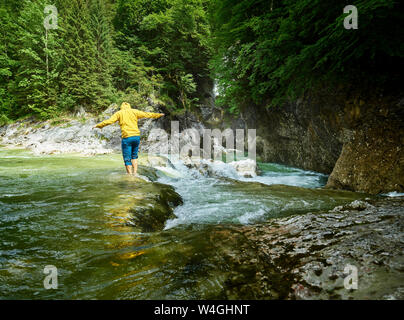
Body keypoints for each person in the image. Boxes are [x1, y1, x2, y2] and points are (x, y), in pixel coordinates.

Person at [93, 102, 164, 176]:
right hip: (136, 137)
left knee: (127, 159)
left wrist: (98, 125)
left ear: (121, 107)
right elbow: (146, 114)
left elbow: (109, 121)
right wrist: (158, 115)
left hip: (127, 137)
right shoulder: (134, 111)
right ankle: (135, 173)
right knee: (134, 156)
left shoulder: (119, 113)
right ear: (129, 106)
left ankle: (130, 176)